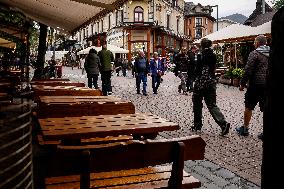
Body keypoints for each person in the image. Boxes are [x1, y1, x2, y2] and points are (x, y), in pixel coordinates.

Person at [192, 38, 230, 136]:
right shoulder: (213, 55)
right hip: (211, 82)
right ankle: (223, 123)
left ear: (201, 45)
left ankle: (197, 125)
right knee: (212, 104)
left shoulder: (200, 55)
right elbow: (213, 69)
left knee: (197, 104)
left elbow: (197, 70)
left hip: (200, 83)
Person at [236, 35, 270, 139]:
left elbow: (248, 70)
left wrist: (242, 83)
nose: (253, 44)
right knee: (266, 108)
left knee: (249, 106)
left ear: (258, 43)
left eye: (254, 42)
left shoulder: (254, 54)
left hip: (255, 85)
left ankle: (245, 129)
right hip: (268, 85)